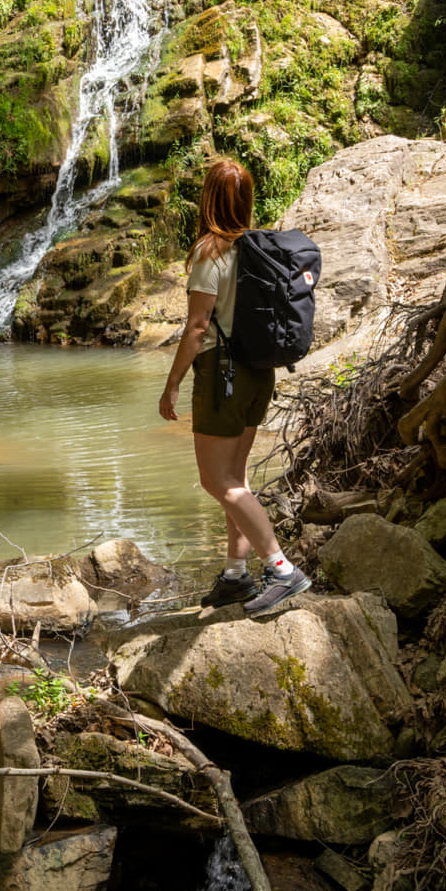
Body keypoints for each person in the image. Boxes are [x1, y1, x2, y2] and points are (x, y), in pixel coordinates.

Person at [158, 156, 310, 615]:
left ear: (208, 199)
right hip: (258, 372)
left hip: (221, 374)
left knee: (216, 480)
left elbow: (197, 328)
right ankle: (235, 575)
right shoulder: (260, 247)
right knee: (237, 478)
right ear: (245, 199)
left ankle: (281, 568)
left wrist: (171, 386)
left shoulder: (210, 253)